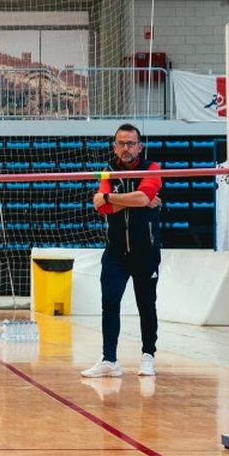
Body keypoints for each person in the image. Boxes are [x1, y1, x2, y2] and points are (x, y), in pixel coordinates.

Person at [81, 124, 163, 378]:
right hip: (115, 252)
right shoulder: (108, 171)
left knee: (146, 305)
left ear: (140, 146)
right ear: (114, 146)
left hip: (145, 251)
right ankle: (109, 359)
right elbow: (102, 207)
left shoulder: (152, 168)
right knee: (109, 303)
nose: (126, 148)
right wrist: (134, 199)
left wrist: (110, 198)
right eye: (121, 143)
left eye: (131, 143)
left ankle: (148, 356)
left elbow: (141, 198)